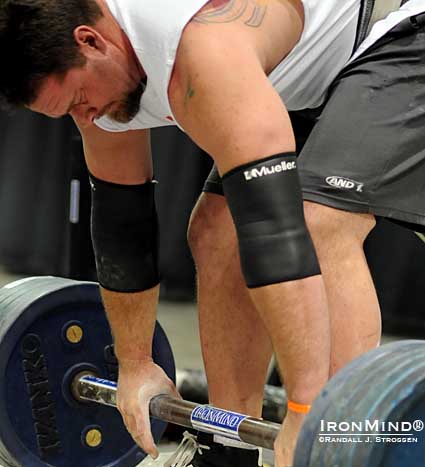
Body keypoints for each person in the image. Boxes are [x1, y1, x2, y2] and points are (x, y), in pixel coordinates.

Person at [1, 0, 425, 465]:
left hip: (397, 35)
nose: (85, 119)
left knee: (316, 220)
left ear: (91, 41)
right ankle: (228, 450)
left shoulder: (201, 49)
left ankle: (337, 438)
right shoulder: (102, 81)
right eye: (68, 114)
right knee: (214, 232)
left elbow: (275, 232)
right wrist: (135, 363)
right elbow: (125, 227)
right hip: (305, 72)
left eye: (79, 101)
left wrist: (306, 410)